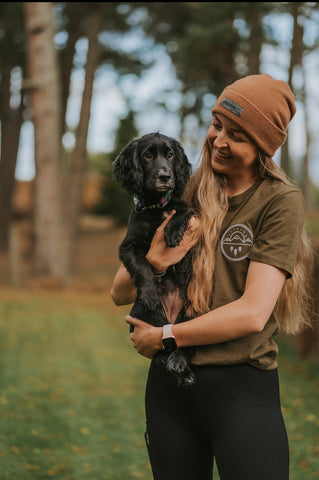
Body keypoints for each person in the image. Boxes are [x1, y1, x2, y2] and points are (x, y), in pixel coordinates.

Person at [110, 73, 314, 480]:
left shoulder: (279, 201)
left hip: (241, 387)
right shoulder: (185, 186)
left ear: (263, 147)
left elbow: (253, 314)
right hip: (169, 390)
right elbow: (118, 291)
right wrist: (155, 259)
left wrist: (164, 337)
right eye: (217, 124)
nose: (219, 140)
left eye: (237, 134)